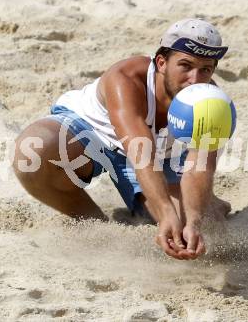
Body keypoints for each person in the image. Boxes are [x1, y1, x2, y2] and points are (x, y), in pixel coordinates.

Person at [13, 18, 231, 260]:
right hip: (96, 135)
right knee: (32, 151)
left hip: (156, 155)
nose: (195, 79)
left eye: (205, 69)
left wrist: (194, 221)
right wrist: (166, 212)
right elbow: (142, 157)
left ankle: (208, 205)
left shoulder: (211, 103)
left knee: (195, 226)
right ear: (161, 62)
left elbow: (199, 168)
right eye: (185, 66)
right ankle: (93, 223)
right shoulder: (126, 77)